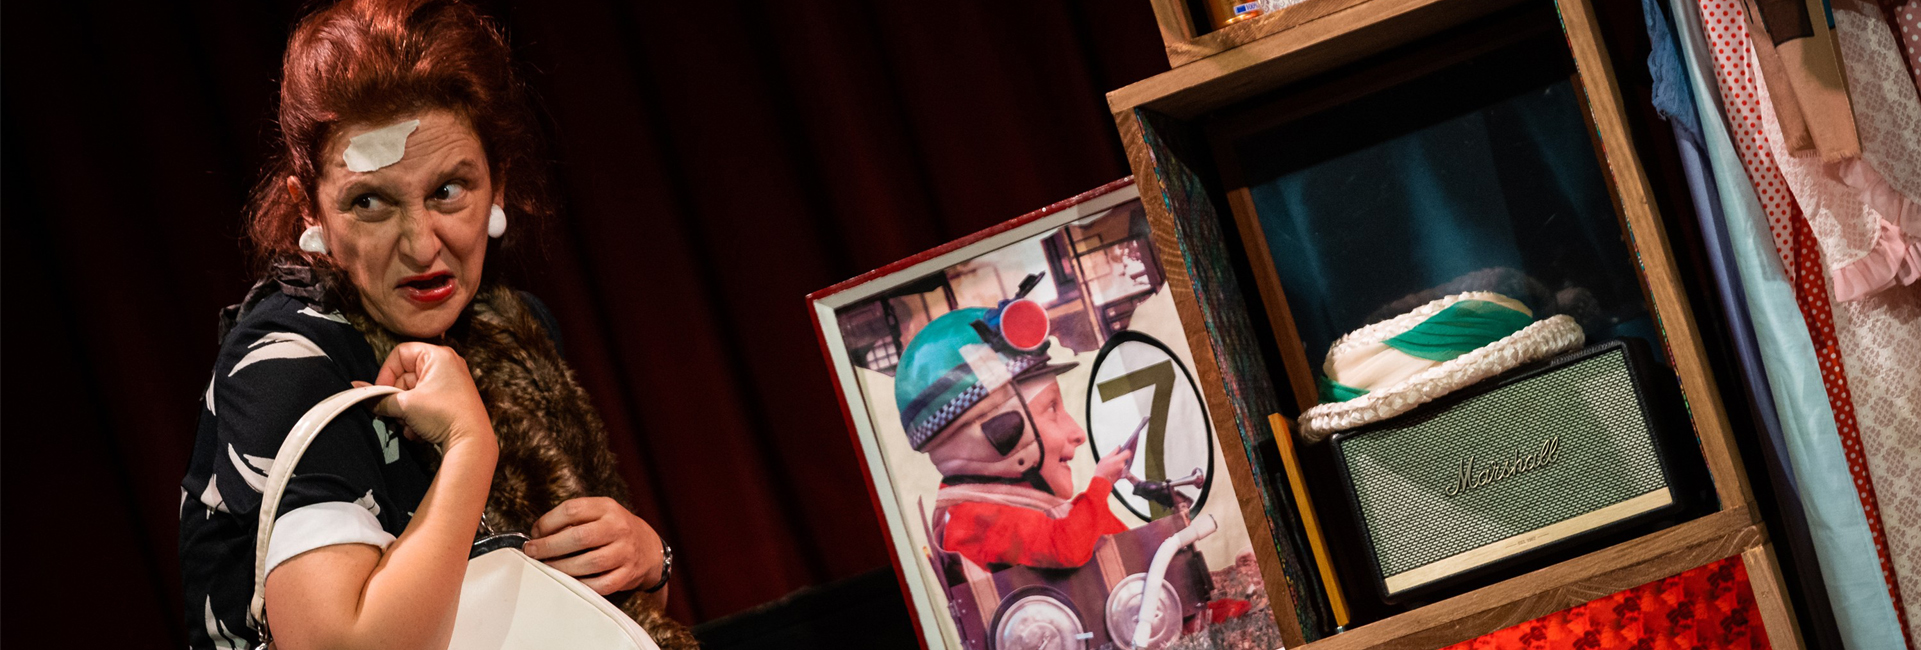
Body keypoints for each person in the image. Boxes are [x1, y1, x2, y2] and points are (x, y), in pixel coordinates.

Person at [174, 1, 697, 647]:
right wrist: (469, 446)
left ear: (497, 184)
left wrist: (644, 562)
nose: (422, 246)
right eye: (370, 201)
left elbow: (558, 612)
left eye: (448, 190)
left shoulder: (509, 327)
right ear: (308, 208)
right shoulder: (287, 362)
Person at [894, 299, 1135, 571]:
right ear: (999, 434)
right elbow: (1065, 547)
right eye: (1051, 409)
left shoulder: (1022, 506)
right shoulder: (971, 520)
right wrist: (1101, 484)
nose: (1078, 433)